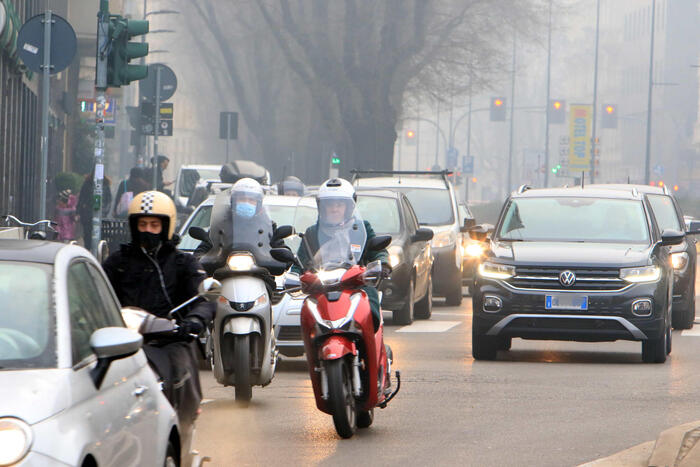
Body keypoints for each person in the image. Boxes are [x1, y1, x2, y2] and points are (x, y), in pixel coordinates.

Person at [102, 191, 215, 427]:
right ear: (133, 226)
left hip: (170, 338)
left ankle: (184, 425)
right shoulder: (117, 263)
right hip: (122, 339)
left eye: (154, 225)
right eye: (142, 224)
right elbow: (95, 296)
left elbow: (204, 299)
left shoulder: (184, 263)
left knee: (182, 368)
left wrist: (193, 322)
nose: (148, 230)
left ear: (167, 226)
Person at [293, 178, 390, 330]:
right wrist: (293, 275)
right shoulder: (312, 233)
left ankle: (371, 343)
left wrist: (383, 263)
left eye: (340, 204)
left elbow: (377, 250)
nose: (334, 209)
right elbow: (300, 261)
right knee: (306, 315)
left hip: (357, 283)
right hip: (321, 286)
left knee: (370, 304)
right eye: (329, 204)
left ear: (349, 207)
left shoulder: (362, 228)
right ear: (321, 207)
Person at [77, 167, 112, 251]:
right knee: (88, 236)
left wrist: (104, 212)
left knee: (99, 235)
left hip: (100, 215)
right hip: (87, 215)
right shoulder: (87, 183)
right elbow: (82, 198)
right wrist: (79, 211)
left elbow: (108, 200)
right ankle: (89, 250)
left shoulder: (105, 184)